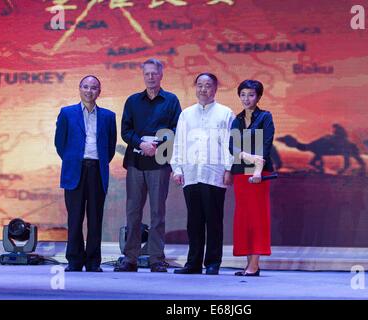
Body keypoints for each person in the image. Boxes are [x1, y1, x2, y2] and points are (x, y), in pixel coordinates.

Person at [116, 58, 181, 273]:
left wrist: (157, 144)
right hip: (136, 163)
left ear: (161, 75)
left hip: (160, 163)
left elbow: (175, 128)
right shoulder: (132, 101)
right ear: (143, 75)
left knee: (157, 213)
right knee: (133, 212)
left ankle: (156, 259)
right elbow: (125, 130)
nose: (151, 77)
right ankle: (130, 258)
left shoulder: (171, 100)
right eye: (147, 74)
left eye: (154, 73)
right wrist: (140, 143)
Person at [171, 73, 234, 275]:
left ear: (215, 89)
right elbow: (179, 142)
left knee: (214, 220)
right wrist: (177, 168)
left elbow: (229, 144)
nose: (203, 89)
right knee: (194, 221)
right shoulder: (186, 114)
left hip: (214, 173)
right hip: (191, 173)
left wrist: (228, 169)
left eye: (208, 86)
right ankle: (193, 263)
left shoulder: (225, 113)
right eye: (199, 85)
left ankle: (213, 262)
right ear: (195, 88)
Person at [54, 75, 117, 272]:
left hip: (97, 170)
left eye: (94, 88)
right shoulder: (67, 113)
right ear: (79, 89)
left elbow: (111, 147)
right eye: (86, 87)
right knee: (75, 217)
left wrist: (97, 162)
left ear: (99, 91)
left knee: (95, 218)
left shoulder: (108, 116)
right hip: (75, 170)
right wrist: (73, 160)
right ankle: (74, 260)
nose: (89, 91)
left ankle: (92, 261)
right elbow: (60, 144)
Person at [229, 79, 274, 276]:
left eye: (251, 95)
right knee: (244, 218)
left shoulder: (265, 117)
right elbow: (232, 146)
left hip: (258, 174)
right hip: (240, 172)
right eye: (243, 95)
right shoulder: (237, 119)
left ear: (258, 97)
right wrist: (246, 157)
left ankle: (254, 264)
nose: (247, 99)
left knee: (257, 218)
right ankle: (249, 264)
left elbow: (265, 144)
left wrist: (257, 169)